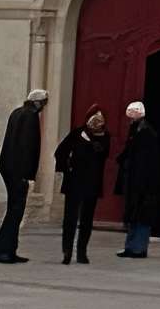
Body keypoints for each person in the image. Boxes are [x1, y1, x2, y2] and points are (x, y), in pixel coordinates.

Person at [0, 87, 47, 264]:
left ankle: (8, 249)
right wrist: (26, 174)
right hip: (18, 171)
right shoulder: (30, 117)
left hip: (8, 167)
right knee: (15, 211)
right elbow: (27, 147)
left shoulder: (17, 112)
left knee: (13, 210)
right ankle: (3, 250)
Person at [114, 100, 160, 258]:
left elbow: (147, 161)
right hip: (135, 181)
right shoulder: (136, 131)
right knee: (133, 215)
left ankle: (138, 248)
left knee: (142, 215)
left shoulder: (146, 133)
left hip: (144, 184)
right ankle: (130, 246)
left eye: (132, 115)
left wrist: (144, 182)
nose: (130, 119)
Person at [54, 107, 109, 266]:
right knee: (70, 219)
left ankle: (82, 252)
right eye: (94, 119)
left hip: (92, 183)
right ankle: (67, 251)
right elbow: (60, 152)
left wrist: (95, 142)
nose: (97, 122)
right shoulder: (77, 134)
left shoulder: (105, 137)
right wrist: (65, 168)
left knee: (86, 220)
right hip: (74, 182)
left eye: (100, 120)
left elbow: (104, 154)